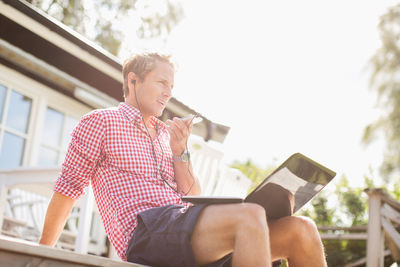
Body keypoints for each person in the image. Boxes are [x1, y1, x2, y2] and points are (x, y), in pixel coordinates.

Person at [39, 52, 327, 267]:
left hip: (183, 230)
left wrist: (180, 151)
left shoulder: (166, 135)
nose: (168, 93)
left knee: (301, 230)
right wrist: (41, 256)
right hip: (145, 234)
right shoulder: (101, 122)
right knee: (250, 214)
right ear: (133, 80)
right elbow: (68, 189)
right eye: (162, 82)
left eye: (172, 86)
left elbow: (191, 195)